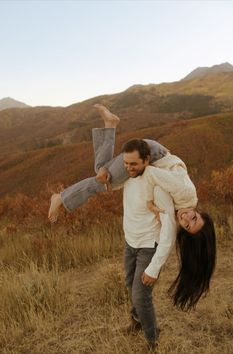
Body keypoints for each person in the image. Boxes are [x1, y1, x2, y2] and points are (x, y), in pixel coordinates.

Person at [48, 105, 216, 349]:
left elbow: (163, 207)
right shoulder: (186, 193)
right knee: (103, 178)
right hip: (151, 153)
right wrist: (151, 199)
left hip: (152, 157)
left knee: (102, 172)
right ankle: (61, 198)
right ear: (200, 213)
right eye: (194, 218)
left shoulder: (180, 207)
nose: (187, 218)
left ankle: (111, 125)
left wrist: (156, 203)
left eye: (188, 226)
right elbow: (153, 176)